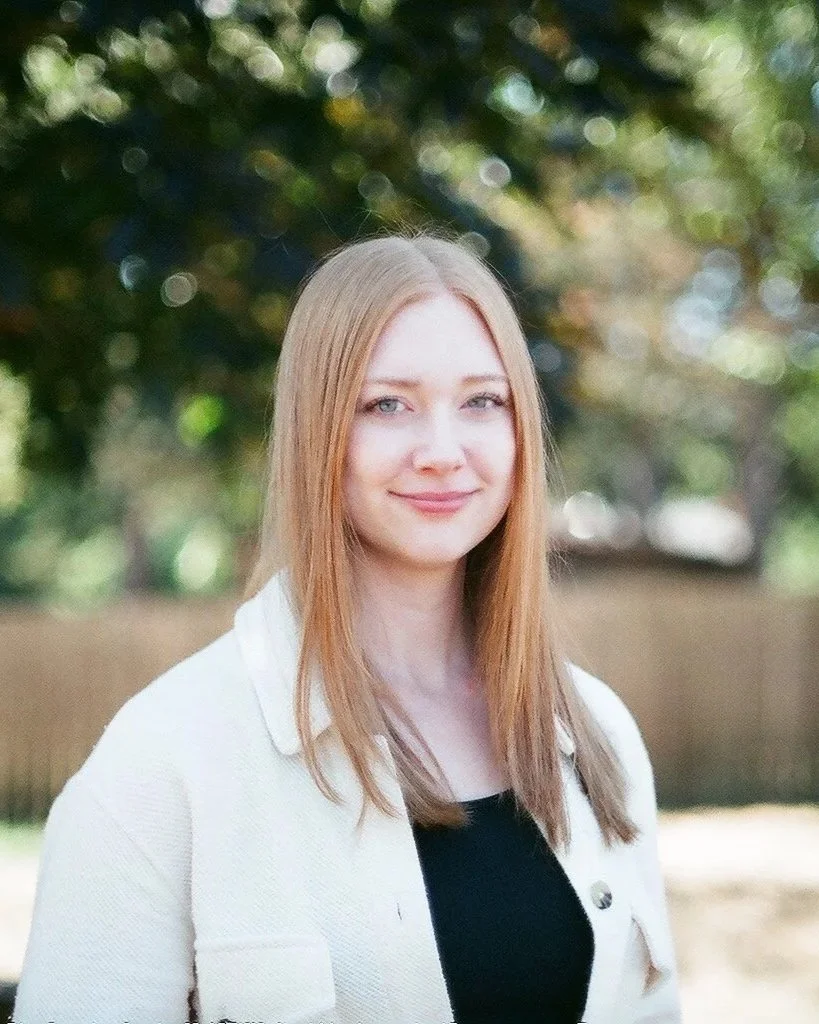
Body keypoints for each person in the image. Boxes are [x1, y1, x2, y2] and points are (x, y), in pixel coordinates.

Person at [14, 232, 681, 1024]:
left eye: (482, 400)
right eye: (386, 404)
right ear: (317, 430)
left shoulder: (594, 732)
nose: (442, 451)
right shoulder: (164, 761)